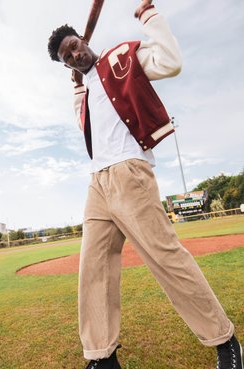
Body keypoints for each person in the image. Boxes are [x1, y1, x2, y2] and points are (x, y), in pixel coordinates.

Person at [47, 1, 243, 368]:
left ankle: (224, 340)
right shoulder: (85, 88)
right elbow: (85, 127)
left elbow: (171, 61)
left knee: (166, 259)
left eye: (74, 44)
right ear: (66, 65)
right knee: (94, 269)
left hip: (130, 174)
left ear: (82, 41)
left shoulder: (119, 58)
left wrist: (147, 14)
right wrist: (78, 88)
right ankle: (101, 356)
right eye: (66, 56)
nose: (74, 53)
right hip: (97, 183)